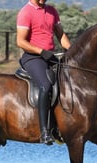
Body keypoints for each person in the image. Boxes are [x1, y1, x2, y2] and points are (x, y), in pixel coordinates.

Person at [16, 0, 71, 145]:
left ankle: (61, 126)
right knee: (45, 85)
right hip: (33, 57)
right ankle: (44, 132)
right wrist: (41, 51)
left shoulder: (52, 11)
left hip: (50, 56)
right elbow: (20, 42)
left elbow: (61, 36)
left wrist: (72, 52)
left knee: (70, 81)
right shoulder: (26, 12)